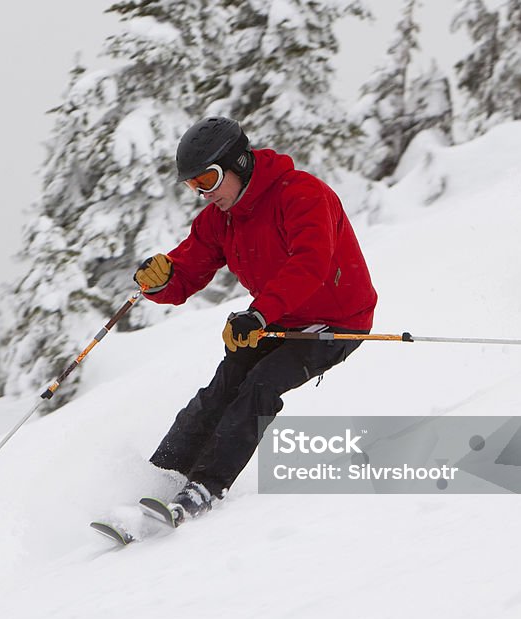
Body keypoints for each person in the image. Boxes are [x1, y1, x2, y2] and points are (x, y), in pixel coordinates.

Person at [133, 116, 377, 523]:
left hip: (334, 320)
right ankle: (161, 478)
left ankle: (206, 486)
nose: (203, 194)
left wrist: (260, 312)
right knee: (221, 388)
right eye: (193, 187)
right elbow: (188, 270)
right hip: (276, 316)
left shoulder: (301, 194)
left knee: (261, 384)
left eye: (208, 180)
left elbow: (311, 263)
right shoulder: (220, 218)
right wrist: (161, 280)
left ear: (239, 164)